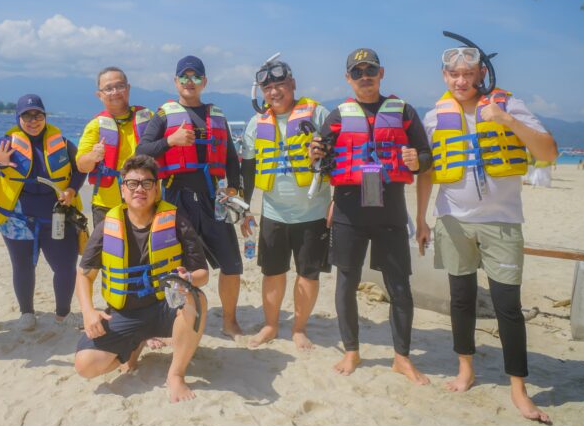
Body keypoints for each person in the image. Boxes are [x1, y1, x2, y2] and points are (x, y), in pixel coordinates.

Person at [415, 44, 557, 423]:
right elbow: (428, 171)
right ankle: (465, 369)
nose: (461, 81)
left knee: (507, 305)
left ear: (480, 74)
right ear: (445, 77)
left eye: (467, 73)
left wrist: (507, 120)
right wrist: (421, 218)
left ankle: (519, 389)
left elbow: (550, 151)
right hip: (452, 220)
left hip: (502, 221)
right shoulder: (433, 117)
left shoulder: (509, 105)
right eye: (453, 75)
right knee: (460, 299)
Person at [311, 48, 431, 384]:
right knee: (346, 283)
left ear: (381, 73)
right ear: (348, 78)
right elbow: (318, 162)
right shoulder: (337, 115)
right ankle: (351, 350)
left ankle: (401, 358)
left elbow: (426, 155)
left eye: (371, 70)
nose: (365, 76)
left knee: (399, 286)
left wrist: (414, 159)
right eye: (358, 72)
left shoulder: (403, 111)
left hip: (390, 208)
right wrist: (314, 154)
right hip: (349, 207)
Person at [74, 155, 209, 402]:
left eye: (147, 184)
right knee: (86, 365)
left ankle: (175, 375)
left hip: (165, 307)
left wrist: (188, 277)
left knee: (196, 298)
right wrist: (88, 312)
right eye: (133, 184)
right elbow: (84, 275)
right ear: (122, 189)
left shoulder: (177, 221)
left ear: (156, 189)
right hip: (125, 312)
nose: (140, 189)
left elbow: (203, 274)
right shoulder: (106, 227)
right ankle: (136, 342)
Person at [135, 55, 245, 337]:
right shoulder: (163, 114)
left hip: (213, 198)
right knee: (170, 263)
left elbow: (231, 158)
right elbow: (141, 152)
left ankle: (229, 321)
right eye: (184, 77)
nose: (190, 82)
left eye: (196, 77)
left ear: (204, 82)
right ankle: (168, 321)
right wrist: (170, 141)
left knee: (231, 264)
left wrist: (234, 187)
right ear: (175, 82)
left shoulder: (216, 115)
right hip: (176, 197)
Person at [239, 60, 331, 349]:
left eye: (279, 85)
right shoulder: (256, 123)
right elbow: (249, 171)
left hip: (313, 212)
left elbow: (340, 159)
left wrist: (337, 202)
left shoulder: (318, 113)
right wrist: (244, 210)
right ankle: (270, 325)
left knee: (308, 273)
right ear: (262, 92)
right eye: (267, 87)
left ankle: (299, 328)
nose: (274, 91)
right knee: (272, 272)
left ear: (292, 84)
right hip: (273, 212)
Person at [0, 94, 85, 329]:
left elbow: (80, 169)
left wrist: (72, 189)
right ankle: (27, 314)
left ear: (45, 116)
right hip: (18, 219)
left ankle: (63, 313)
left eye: (38, 115)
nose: (33, 120)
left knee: (65, 267)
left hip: (57, 216)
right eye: (27, 115)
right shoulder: (6, 143)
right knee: (22, 267)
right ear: (18, 117)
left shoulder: (62, 143)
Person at [75, 66, 154, 229]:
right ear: (100, 95)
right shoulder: (95, 126)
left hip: (144, 200)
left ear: (128, 88)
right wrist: (93, 156)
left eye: (120, 86)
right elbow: (82, 165)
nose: (115, 92)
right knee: (109, 253)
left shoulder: (148, 118)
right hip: (107, 205)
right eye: (108, 88)